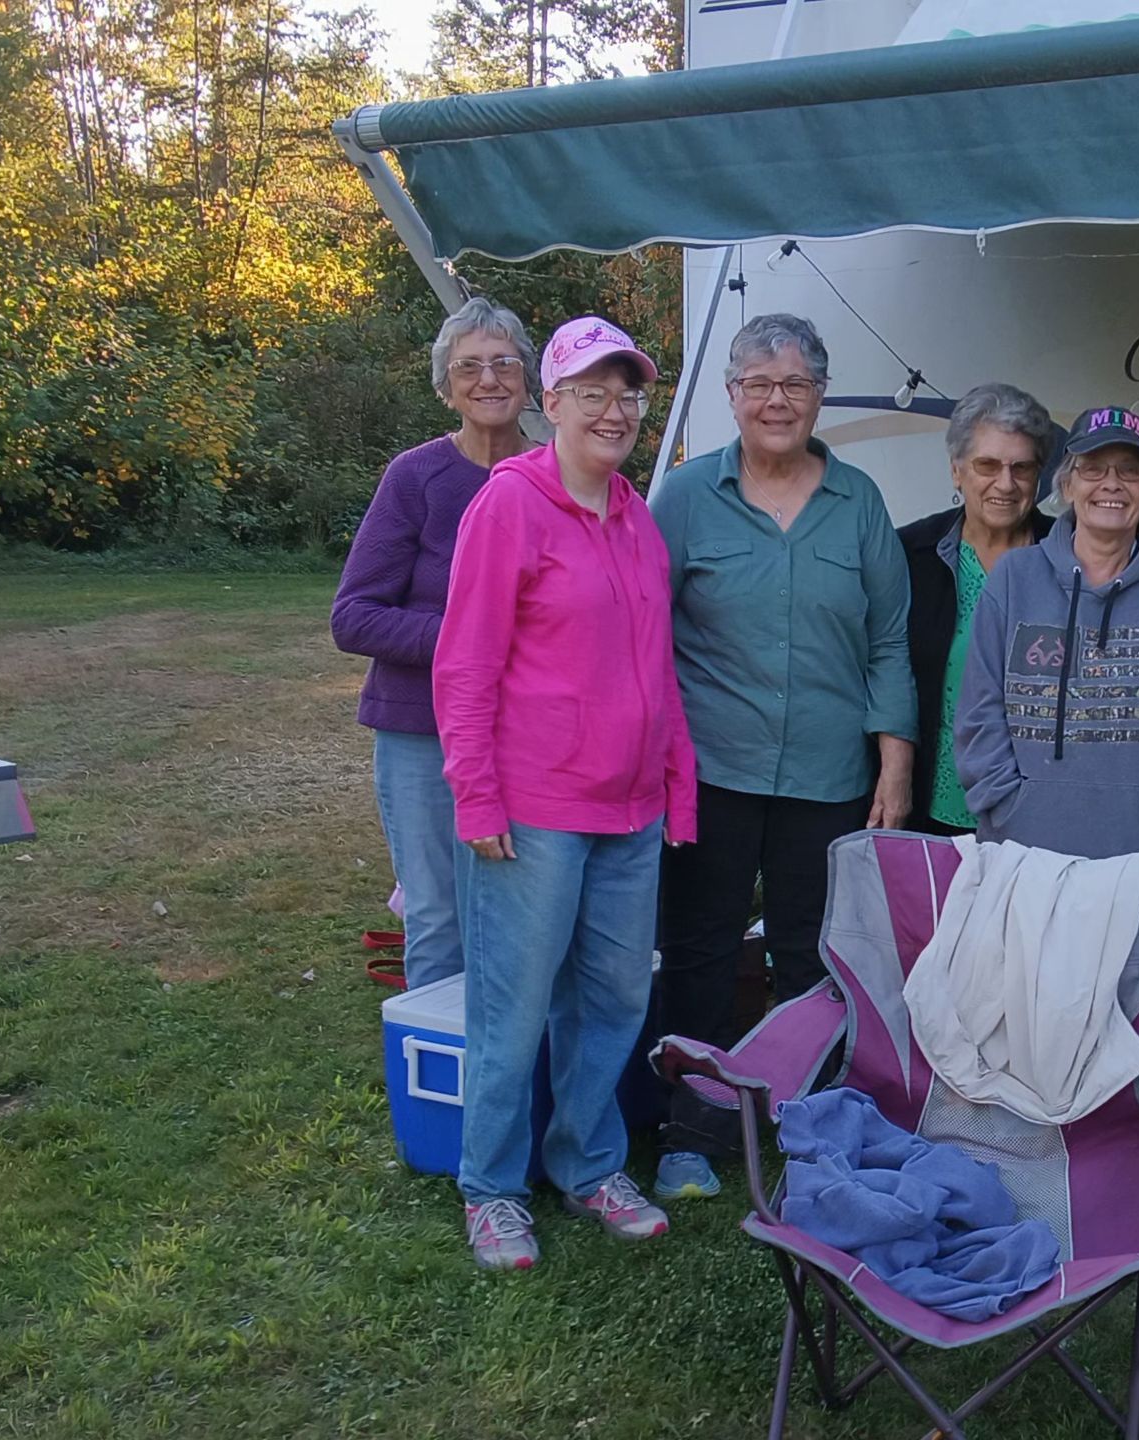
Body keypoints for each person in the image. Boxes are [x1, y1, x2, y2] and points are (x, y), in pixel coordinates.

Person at [434, 316, 694, 1272]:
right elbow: (464, 666)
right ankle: (492, 1189)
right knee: (512, 1005)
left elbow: (657, 666)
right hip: (535, 811)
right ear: (552, 405)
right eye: (592, 392)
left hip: (631, 812)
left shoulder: (637, 516)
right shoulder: (510, 505)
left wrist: (677, 785)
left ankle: (587, 1165)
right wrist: (476, 797)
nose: (614, 410)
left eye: (628, 394)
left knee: (616, 1000)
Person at [650, 314, 916, 1200]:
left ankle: (804, 1130)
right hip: (711, 773)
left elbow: (889, 641)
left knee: (813, 959)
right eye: (758, 383)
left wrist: (896, 763)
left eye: (795, 384)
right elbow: (643, 636)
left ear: (819, 395)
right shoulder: (685, 497)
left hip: (826, 778)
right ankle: (690, 1131)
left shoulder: (860, 501)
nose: (776, 399)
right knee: (699, 952)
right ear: (730, 394)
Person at [331, 299, 535, 992]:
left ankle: (513, 1067)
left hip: (529, 736)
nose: (488, 379)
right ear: (446, 386)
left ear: (529, 379)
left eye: (504, 362)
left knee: (519, 909)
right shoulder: (415, 478)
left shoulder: (554, 480)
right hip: (422, 732)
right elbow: (353, 617)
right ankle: (443, 1070)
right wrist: (467, 640)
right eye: (469, 366)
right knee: (439, 914)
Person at [956, 405, 1139, 860]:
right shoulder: (1015, 577)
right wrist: (1005, 803)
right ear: (1067, 483)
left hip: (1138, 850)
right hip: (1018, 848)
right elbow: (980, 709)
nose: (1111, 484)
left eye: (1130, 471)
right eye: (1092, 468)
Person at [899, 383, 1055, 835]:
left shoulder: (1068, 559)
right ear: (956, 471)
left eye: (1021, 468)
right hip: (933, 810)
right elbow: (883, 673)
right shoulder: (912, 555)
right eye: (987, 465)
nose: (1005, 484)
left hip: (1038, 816)